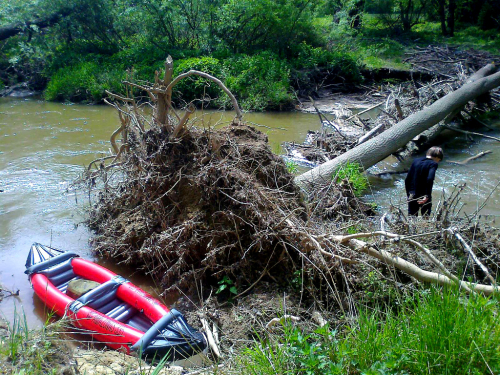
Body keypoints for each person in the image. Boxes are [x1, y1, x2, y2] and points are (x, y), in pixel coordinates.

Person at [405, 146, 443, 216]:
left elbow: (407, 179)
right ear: (437, 157)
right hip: (423, 195)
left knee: (412, 216)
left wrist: (408, 194)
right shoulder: (433, 164)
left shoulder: (415, 161)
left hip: (412, 193)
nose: (438, 162)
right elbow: (430, 179)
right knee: (425, 216)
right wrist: (427, 195)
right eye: (439, 160)